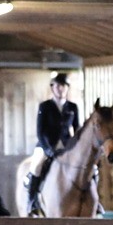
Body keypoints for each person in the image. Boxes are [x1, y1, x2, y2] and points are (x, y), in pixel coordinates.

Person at [24, 72, 81, 215]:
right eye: (57, 86)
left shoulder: (73, 107)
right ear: (53, 88)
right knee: (36, 167)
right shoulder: (45, 106)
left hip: (66, 147)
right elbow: (40, 131)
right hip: (46, 145)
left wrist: (76, 148)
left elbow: (77, 129)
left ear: (67, 88)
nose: (60, 89)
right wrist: (48, 150)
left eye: (63, 86)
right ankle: (32, 202)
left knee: (86, 167)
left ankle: (94, 201)